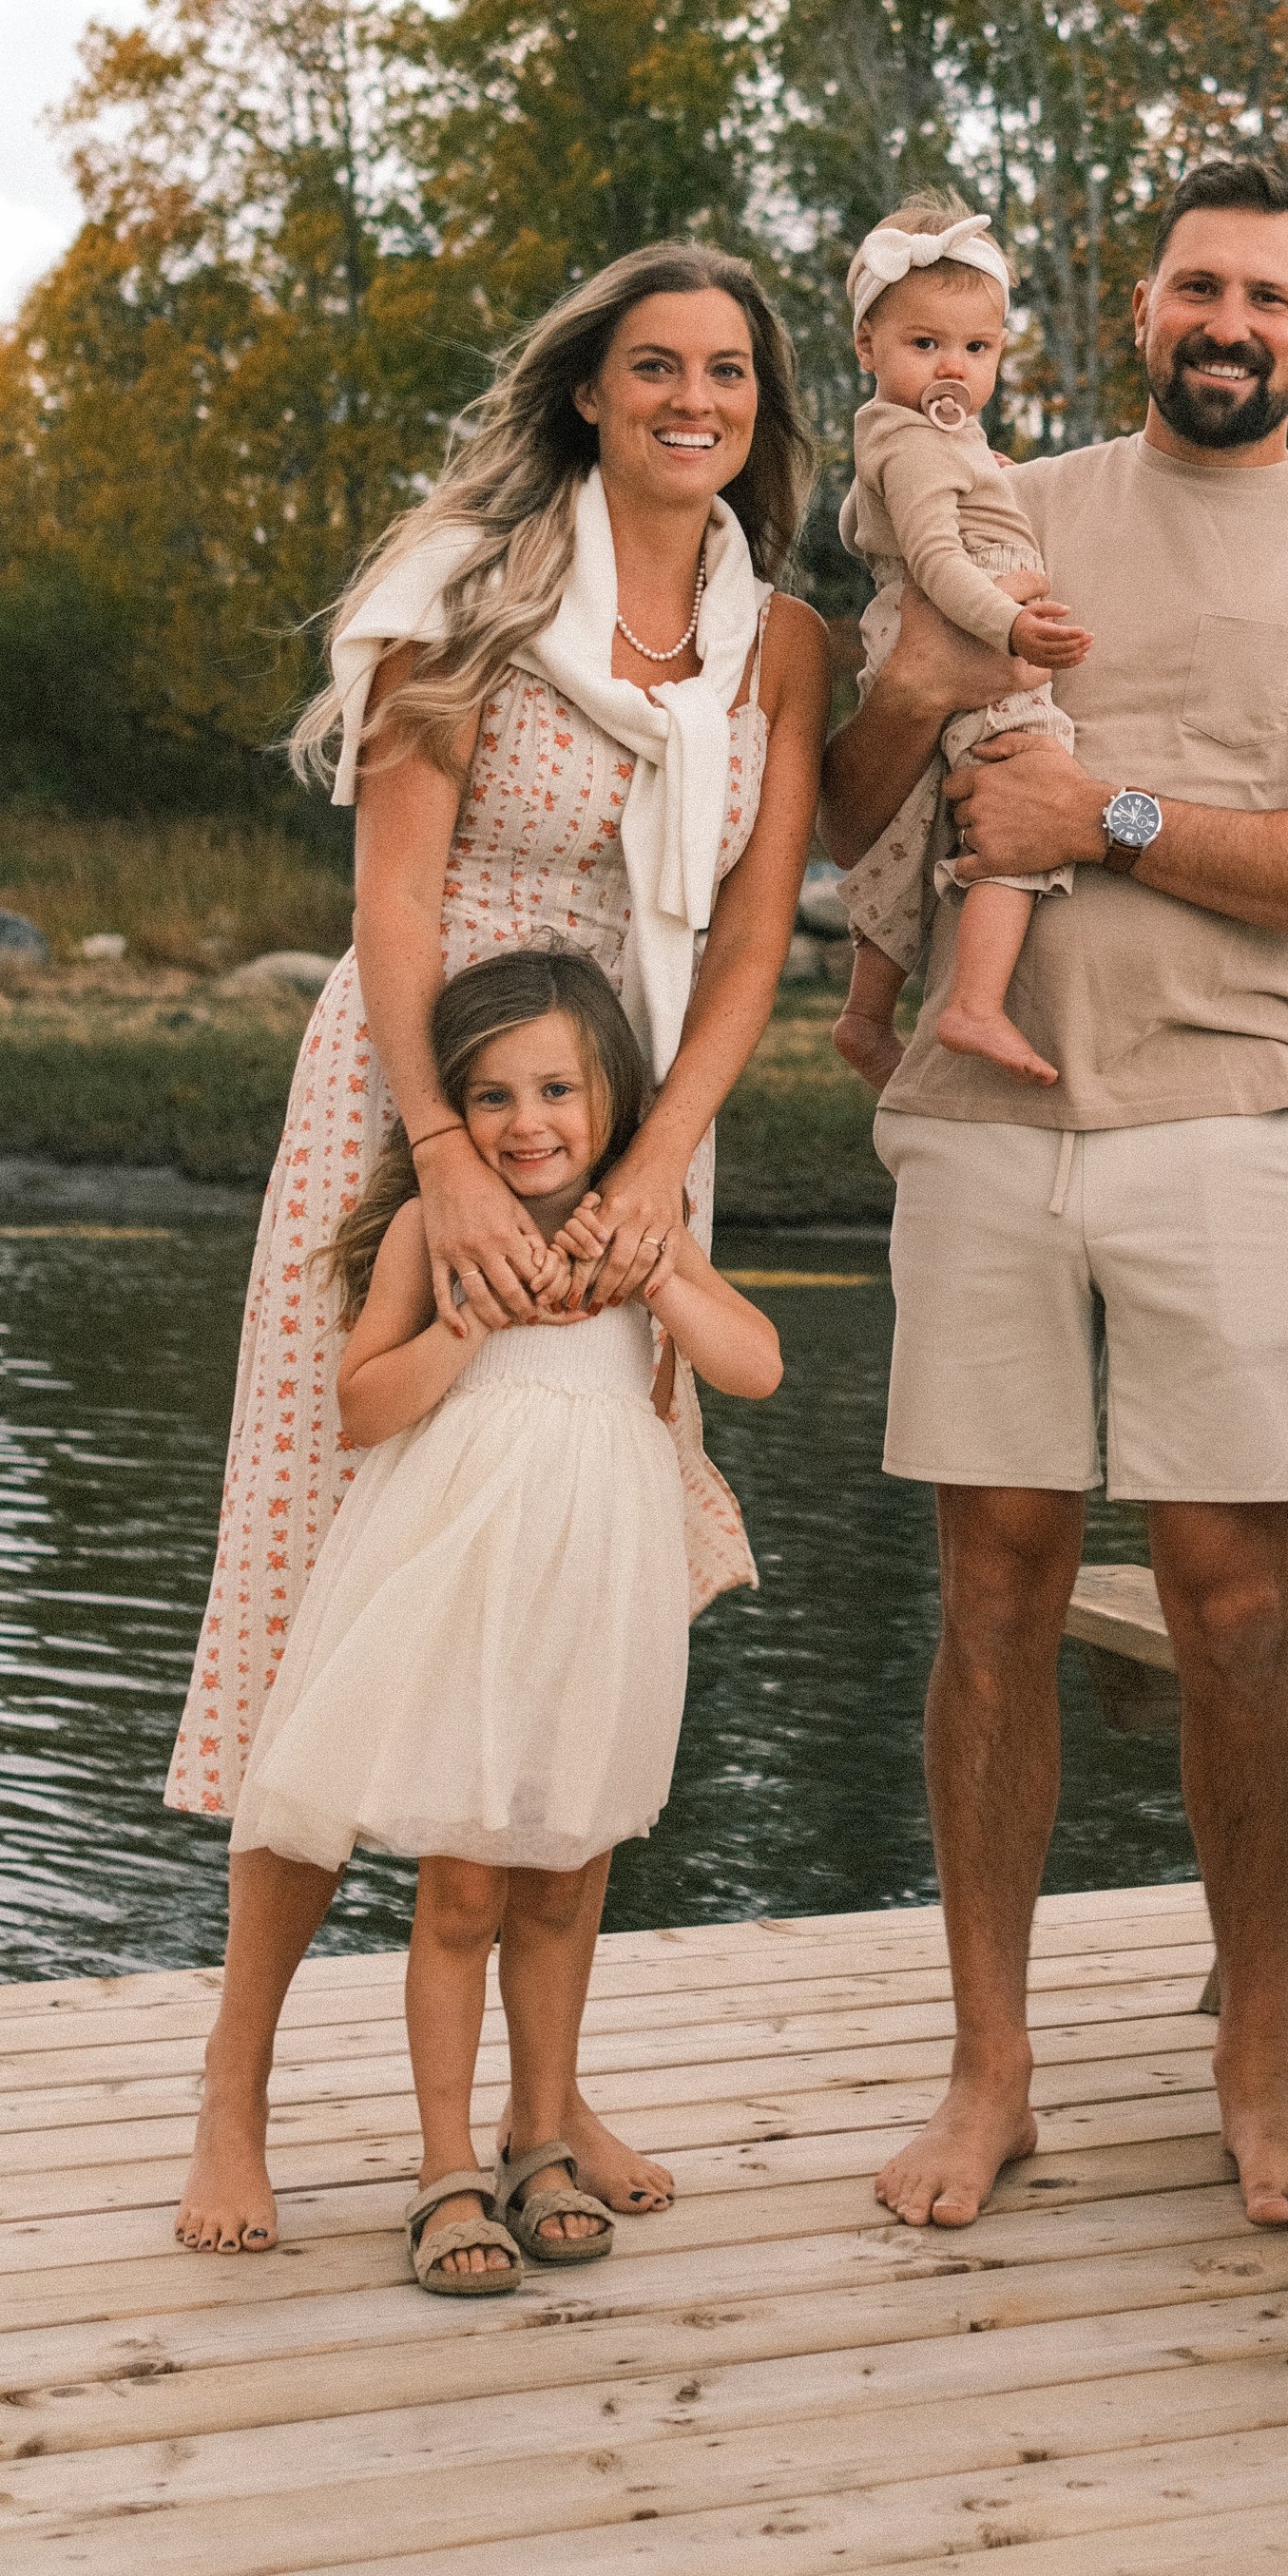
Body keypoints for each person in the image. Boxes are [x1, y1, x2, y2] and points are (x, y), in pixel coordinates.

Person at [819, 154, 1288, 2234]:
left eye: (1266, 299)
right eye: (1199, 287)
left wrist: (1104, 811)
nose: (1228, 324)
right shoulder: (991, 491)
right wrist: (920, 687)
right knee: (992, 1594)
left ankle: (1253, 2071)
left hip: (1223, 1123)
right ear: (1140, 306)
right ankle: (987, 2071)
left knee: (1235, 1612)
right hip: (979, 1126)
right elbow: (845, 819)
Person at [167, 242, 830, 2257]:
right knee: (317, 1577)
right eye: (653, 367)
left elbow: (746, 940)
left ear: (757, 410)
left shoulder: (779, 647)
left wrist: (663, 1170)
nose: (689, 399)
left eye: (725, 371)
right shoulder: (466, 595)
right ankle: (235, 2089)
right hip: (412, 1105)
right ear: (588, 394)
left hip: (627, 1127)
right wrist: (442, 1156)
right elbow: (394, 892)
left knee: (581, 1591)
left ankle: (546, 2097)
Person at [231, 947, 780, 2293]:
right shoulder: (438, 1228)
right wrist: (464, 1326)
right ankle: (442, 2164)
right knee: (464, 1881)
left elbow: (757, 1364)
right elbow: (364, 1404)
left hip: (600, 1589)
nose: (526, 1121)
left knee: (569, 1868)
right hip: (468, 1583)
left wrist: (661, 1278)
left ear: (612, 1098)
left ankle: (541, 2135)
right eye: (489, 1094)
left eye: (555, 1089)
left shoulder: (643, 1227)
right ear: (452, 1114)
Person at [830, 192, 1090, 1094]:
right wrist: (1011, 625)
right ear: (868, 346)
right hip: (978, 647)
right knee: (1031, 793)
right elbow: (939, 561)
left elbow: (871, 520)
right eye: (925, 344)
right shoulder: (915, 448)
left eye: (976, 349)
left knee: (911, 828)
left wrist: (984, 479)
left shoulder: (915, 442)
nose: (953, 367)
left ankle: (865, 1017)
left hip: (931, 633)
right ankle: (975, 1000)